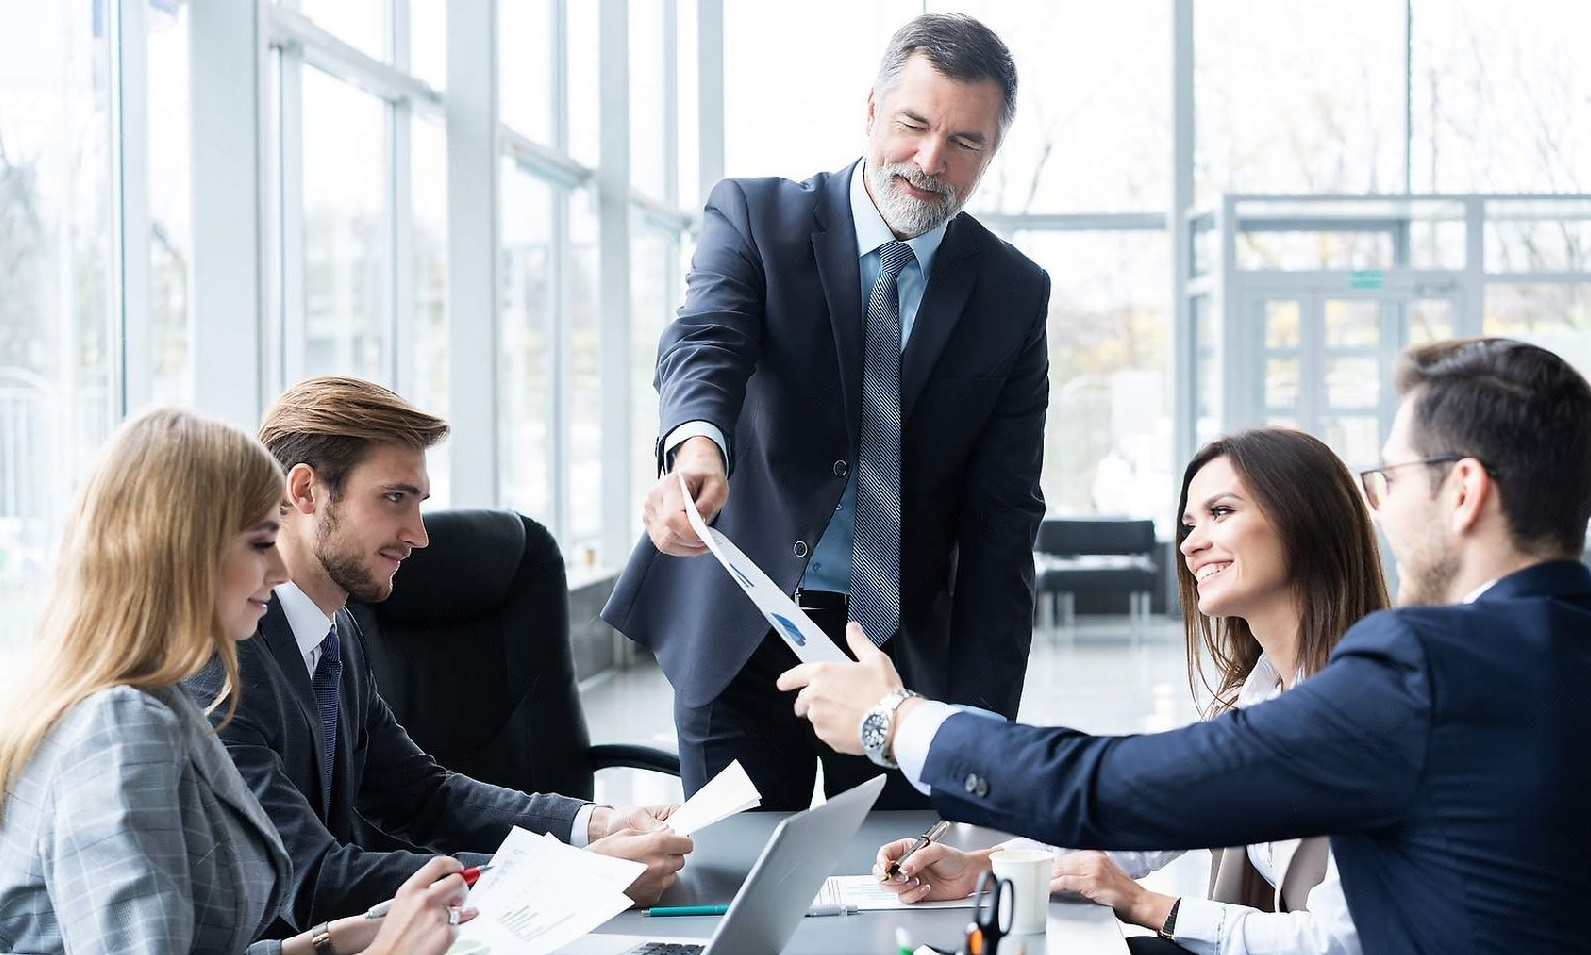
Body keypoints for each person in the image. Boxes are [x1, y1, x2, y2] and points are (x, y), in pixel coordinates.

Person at [780, 338, 1591, 953]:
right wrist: (990, 865)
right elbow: (1156, 806)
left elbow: (1112, 786)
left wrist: (893, 719)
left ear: (1462, 489)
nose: (1377, 507)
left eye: (1389, 479)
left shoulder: (1421, 668)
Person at [603, 12, 1051, 811]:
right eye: (913, 124)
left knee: (902, 892)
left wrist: (980, 729)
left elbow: (1002, 519)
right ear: (870, 110)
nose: (929, 160)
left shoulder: (1012, 293)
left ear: (990, 153)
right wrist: (697, 445)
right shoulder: (757, 216)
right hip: (740, 623)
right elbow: (706, 339)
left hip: (898, 655)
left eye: (964, 143)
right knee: (735, 886)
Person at [184, 377, 692, 939]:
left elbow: (422, 795)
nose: (418, 535)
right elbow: (312, 880)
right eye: (394, 498)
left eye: (419, 503)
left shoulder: (334, 636)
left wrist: (596, 825)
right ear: (305, 492)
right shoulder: (220, 664)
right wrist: (579, 876)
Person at [871, 428, 1388, 955]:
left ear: (1307, 521)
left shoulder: (1371, 712)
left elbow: (1342, 945)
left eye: (1222, 512)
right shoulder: (1260, 698)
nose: (1190, 543)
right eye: (1189, 524)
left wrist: (1147, 905)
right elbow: (1142, 828)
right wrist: (984, 870)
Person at [0, 409, 471, 955]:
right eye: (259, 543)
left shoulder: (149, 705)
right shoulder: (121, 729)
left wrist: (324, 945)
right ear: (182, 550)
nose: (277, 572)